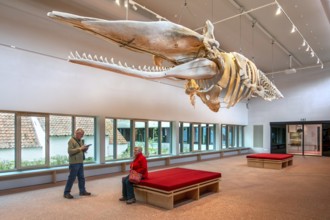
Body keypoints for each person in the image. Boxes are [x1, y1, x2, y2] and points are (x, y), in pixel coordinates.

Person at [63, 128, 91, 199]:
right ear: (76, 133)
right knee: (71, 178)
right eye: (81, 134)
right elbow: (70, 151)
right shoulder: (71, 141)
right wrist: (80, 149)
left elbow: (80, 150)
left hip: (80, 161)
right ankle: (66, 193)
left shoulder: (80, 141)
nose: (82, 136)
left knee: (81, 178)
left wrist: (84, 149)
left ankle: (82, 191)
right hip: (74, 163)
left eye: (82, 135)